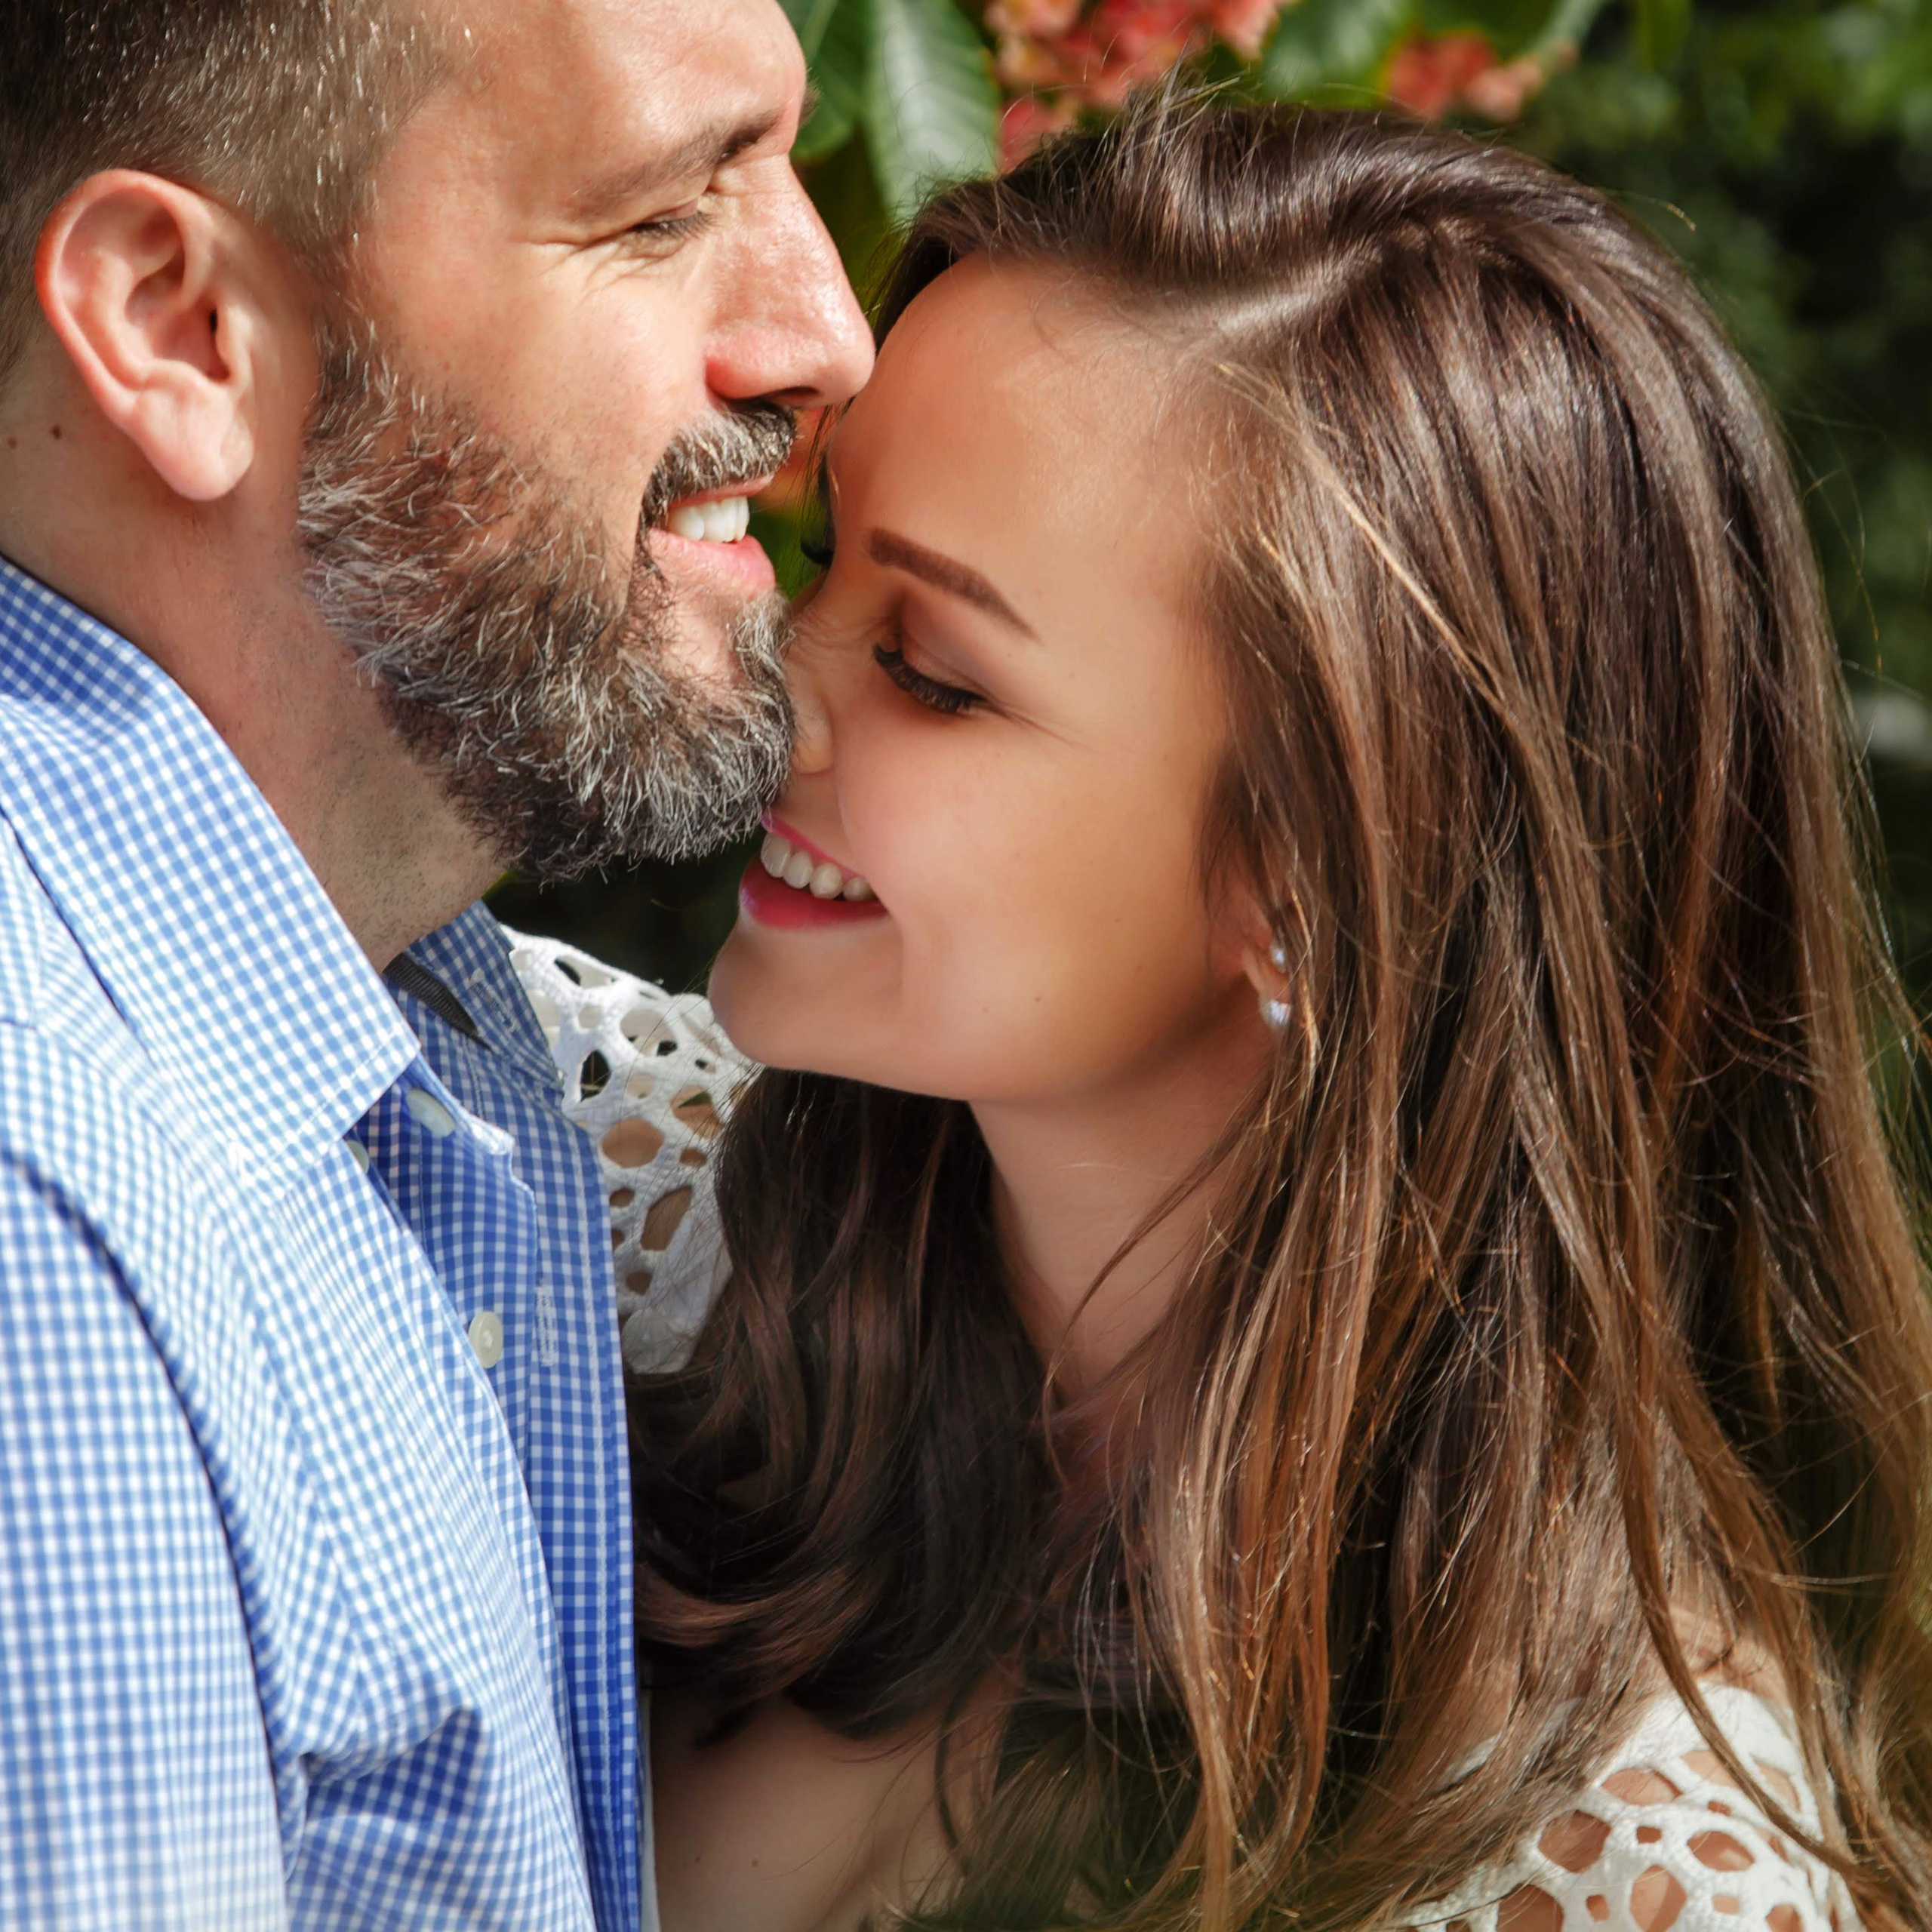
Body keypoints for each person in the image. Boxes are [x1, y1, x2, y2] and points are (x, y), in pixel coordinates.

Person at [574, 96, 1932, 1929]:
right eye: (818, 561)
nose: (770, 684)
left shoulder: (1616, 1873)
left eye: (928, 667)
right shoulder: (582, 1175)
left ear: (1317, 871)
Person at [0, 1, 870, 1924]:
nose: (827, 335)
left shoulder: (389, 998)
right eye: (658, 215)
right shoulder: (45, 1224)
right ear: (176, 328)